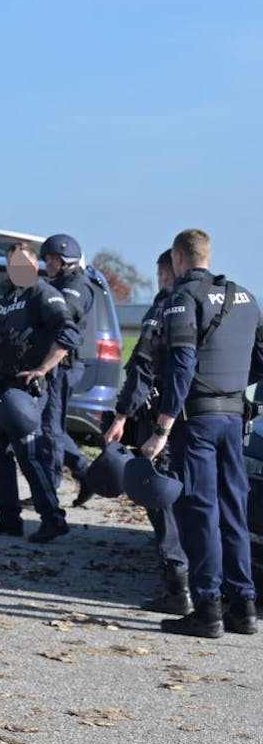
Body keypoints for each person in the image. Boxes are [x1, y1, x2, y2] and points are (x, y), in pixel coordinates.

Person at [138, 228, 263, 638]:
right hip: (234, 419)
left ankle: (207, 610)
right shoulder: (245, 297)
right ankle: (243, 607)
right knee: (234, 512)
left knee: (201, 514)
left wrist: (162, 426)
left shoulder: (182, 299)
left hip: (198, 423)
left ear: (177, 259)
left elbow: (181, 366)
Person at [103, 250, 188, 614]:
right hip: (207, 422)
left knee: (161, 499)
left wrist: (122, 414)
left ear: (167, 271)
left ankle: (177, 587)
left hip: (162, 422)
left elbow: (142, 367)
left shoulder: (167, 308)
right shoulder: (212, 304)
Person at [0, 241, 70, 541]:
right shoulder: (3, 296)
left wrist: (42, 369)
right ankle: (8, 518)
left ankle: (53, 518)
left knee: (29, 455)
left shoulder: (43, 294)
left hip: (25, 390)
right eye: (11, 264)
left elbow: (68, 334)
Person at [19, 233, 93, 505]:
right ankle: (84, 471)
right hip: (52, 363)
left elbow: (64, 321)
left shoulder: (75, 286)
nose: (48, 263)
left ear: (67, 261)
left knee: (50, 425)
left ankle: (49, 489)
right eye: (47, 258)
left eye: (53, 259)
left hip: (62, 363)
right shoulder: (57, 282)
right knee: (49, 425)